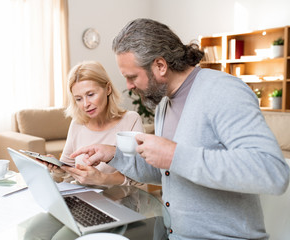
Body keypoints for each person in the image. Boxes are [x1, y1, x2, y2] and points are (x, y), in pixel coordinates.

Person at [68, 18, 290, 239]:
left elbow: (272, 172)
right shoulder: (165, 103)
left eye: (132, 77)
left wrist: (175, 154)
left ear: (160, 66)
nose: (129, 86)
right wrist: (113, 154)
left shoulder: (223, 91)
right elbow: (167, 170)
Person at [44, 60, 144, 187]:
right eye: (78, 99)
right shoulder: (77, 124)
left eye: (90, 94)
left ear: (108, 89)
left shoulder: (131, 120)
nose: (85, 104)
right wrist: (57, 168)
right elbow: (68, 169)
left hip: (121, 201)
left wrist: (102, 179)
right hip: (85, 200)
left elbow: (140, 175)